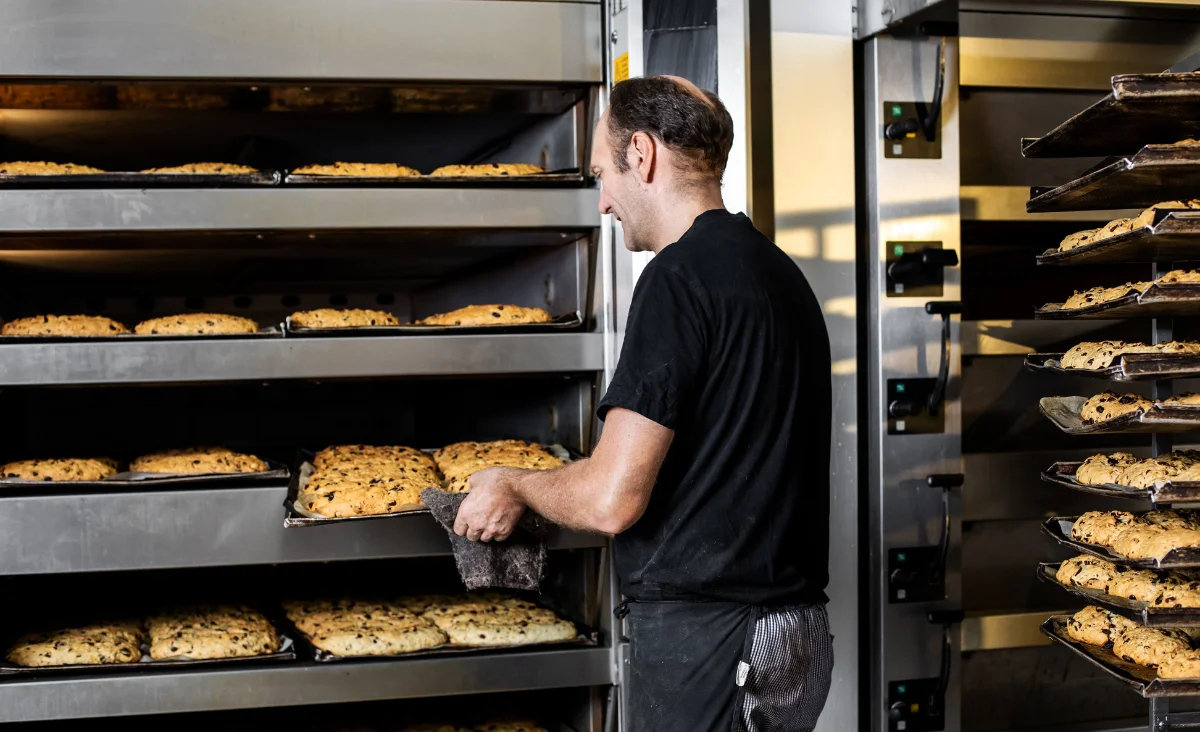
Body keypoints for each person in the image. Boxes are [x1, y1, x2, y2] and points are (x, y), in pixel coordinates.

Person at [455, 75, 833, 732]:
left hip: (713, 637)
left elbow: (611, 500)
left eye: (603, 173)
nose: (604, 203)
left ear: (642, 154)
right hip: (795, 630)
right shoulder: (778, 272)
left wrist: (513, 484)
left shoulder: (676, 279)